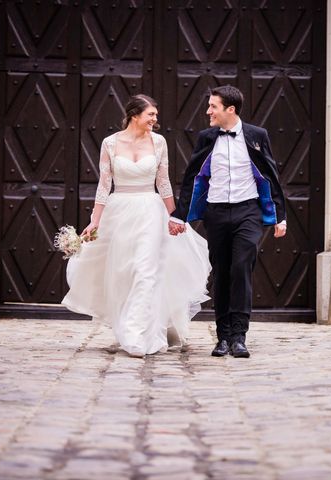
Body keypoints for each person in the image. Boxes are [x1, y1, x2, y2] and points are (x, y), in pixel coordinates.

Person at [62, 94, 210, 357]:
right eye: (151, 114)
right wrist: (94, 220)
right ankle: (125, 326)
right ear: (134, 115)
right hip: (118, 212)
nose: (155, 119)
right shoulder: (110, 143)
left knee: (146, 270)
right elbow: (104, 184)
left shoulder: (159, 142)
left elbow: (163, 182)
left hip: (150, 212)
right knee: (124, 272)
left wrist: (175, 216)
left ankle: (138, 334)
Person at [169, 85, 286, 358]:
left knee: (242, 267)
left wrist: (280, 216)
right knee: (221, 272)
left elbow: (271, 174)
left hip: (248, 212)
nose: (208, 111)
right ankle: (222, 337)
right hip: (216, 213)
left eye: (213, 107)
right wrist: (180, 214)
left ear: (229, 110)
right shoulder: (206, 138)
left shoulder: (258, 135)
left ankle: (239, 336)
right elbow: (192, 177)